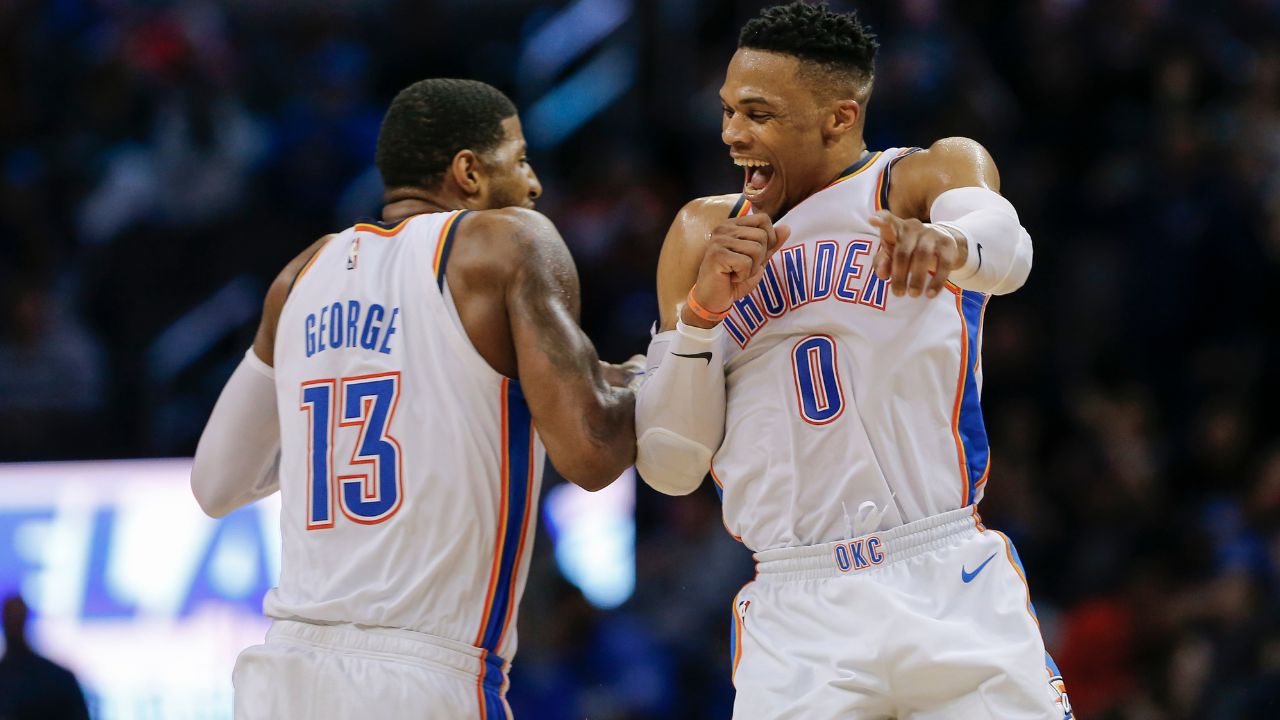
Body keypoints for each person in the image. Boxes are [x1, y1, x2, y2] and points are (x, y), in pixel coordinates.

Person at [634, 3, 1071, 718]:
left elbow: (1008, 246)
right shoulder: (702, 232)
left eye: (758, 114)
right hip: (799, 613)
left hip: (943, 576)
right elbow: (670, 466)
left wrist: (951, 247)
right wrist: (700, 320)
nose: (731, 134)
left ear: (838, 118)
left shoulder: (922, 178)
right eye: (727, 111)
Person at [190, 78, 639, 720]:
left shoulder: (300, 276)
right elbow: (591, 455)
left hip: (282, 676)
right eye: (519, 159)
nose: (534, 183)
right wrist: (669, 367)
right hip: (420, 676)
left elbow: (214, 484)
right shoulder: (506, 242)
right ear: (469, 172)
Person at [0, 594, 90, 720]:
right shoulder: (58, 678)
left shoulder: (58, 679)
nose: (15, 622)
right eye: (13, 617)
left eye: (16, 617)